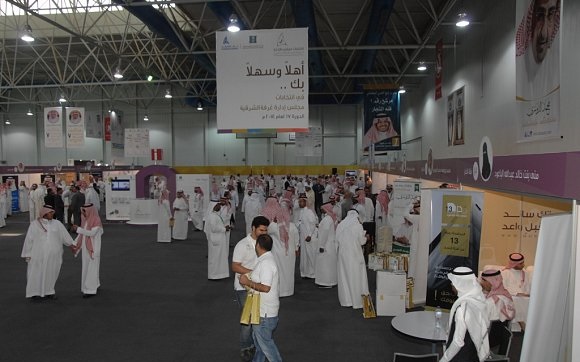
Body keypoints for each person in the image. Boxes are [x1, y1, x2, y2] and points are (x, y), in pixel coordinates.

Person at [231, 216, 270, 361]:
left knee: (258, 319)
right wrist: (252, 274)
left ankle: (255, 345)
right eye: (261, 230)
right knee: (247, 320)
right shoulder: (243, 245)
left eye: (265, 230)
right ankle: (245, 347)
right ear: (253, 228)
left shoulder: (264, 243)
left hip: (257, 287)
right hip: (243, 288)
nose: (264, 232)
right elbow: (235, 266)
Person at [238, 234, 282, 362]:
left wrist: (247, 282)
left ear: (257, 245)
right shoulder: (265, 260)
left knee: (266, 346)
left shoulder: (266, 263)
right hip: (263, 311)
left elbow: (265, 287)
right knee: (260, 346)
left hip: (265, 313)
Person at [21, 205, 75, 300]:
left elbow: (65, 236)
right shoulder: (34, 224)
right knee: (36, 273)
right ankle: (35, 292)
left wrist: (72, 245)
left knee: (51, 273)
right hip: (37, 255)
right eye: (50, 213)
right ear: (44, 213)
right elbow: (28, 240)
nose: (52, 214)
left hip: (54, 255)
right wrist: (27, 254)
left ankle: (49, 291)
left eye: (53, 212)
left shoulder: (57, 223)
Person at [440, 267, 490, 362]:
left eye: (453, 282)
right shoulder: (478, 298)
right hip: (474, 351)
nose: (451, 284)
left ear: (460, 285)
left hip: (461, 356)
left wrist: (444, 359)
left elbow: (458, 342)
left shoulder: (462, 308)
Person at [336, 210, 370, 309]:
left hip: (343, 254)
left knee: (344, 277)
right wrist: (366, 237)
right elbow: (362, 241)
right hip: (354, 254)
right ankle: (357, 301)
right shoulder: (357, 225)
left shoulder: (341, 224)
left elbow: (337, 239)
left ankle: (347, 301)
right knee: (356, 277)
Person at [71, 204, 103, 298]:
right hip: (86, 249)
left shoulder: (96, 220)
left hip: (94, 248)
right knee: (86, 268)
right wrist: (74, 243)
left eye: (85, 211)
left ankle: (90, 290)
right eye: (83, 211)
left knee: (91, 269)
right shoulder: (85, 221)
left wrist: (78, 229)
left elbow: (91, 233)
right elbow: (82, 235)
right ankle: (93, 285)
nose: (83, 213)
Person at [269, 199, 298, 297]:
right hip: (290, 253)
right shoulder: (293, 226)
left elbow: (265, 232)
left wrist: (273, 220)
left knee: (279, 272)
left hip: (277, 254)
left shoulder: (273, 226)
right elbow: (296, 240)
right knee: (289, 272)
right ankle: (288, 291)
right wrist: (296, 249)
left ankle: (280, 292)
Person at [480, 269, 516, 349]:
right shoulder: (506, 294)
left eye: (483, 281)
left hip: (487, 339)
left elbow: (483, 323)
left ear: (491, 282)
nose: (481, 283)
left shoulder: (492, 301)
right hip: (500, 339)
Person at [205, 202, 230, 280]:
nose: (219, 206)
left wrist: (224, 227)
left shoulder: (215, 215)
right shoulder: (212, 216)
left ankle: (220, 274)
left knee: (219, 258)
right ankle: (214, 275)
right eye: (217, 205)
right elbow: (214, 228)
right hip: (216, 240)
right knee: (215, 259)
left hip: (218, 239)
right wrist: (224, 229)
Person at [315, 202, 338, 288]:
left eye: (322, 208)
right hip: (329, 245)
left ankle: (326, 283)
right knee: (328, 264)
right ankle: (329, 282)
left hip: (326, 246)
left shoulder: (327, 219)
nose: (321, 210)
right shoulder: (328, 219)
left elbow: (324, 233)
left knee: (325, 265)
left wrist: (321, 246)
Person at [297, 195, 318, 279]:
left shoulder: (309, 212)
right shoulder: (301, 212)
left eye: (301, 201)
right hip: (302, 237)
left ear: (305, 202)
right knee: (304, 255)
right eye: (299, 201)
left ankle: (313, 273)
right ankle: (305, 272)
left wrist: (309, 235)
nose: (299, 203)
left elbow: (313, 224)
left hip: (309, 237)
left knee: (310, 254)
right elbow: (300, 222)